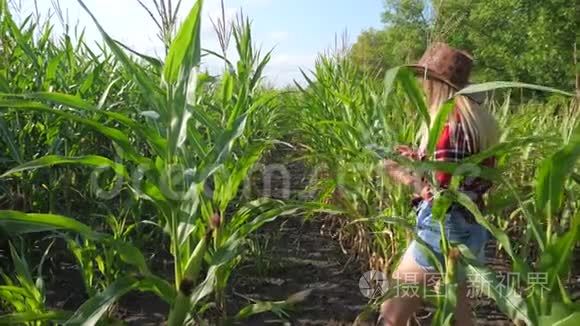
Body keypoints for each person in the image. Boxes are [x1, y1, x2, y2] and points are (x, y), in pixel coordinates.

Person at [379, 42, 500, 325]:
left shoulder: (448, 126)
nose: (422, 86)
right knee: (459, 314)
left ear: (436, 85)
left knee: (391, 315)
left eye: (425, 79)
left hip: (443, 229)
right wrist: (418, 157)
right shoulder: (476, 122)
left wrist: (400, 172)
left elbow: (439, 194)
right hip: (471, 227)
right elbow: (457, 172)